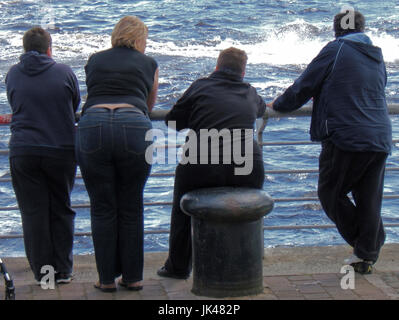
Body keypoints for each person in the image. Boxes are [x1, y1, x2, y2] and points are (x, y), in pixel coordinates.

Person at [268, 11, 392, 274]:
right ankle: (366, 253)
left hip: (346, 136)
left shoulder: (336, 49)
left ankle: (369, 243)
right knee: (368, 199)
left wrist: (278, 105)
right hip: (379, 136)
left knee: (330, 193)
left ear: (336, 31)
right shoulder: (377, 56)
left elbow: (304, 86)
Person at [157, 47, 266, 279]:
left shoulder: (200, 87)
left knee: (182, 208)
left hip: (202, 162)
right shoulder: (250, 92)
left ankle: (178, 266)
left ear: (216, 66)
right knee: (245, 208)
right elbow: (261, 109)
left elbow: (172, 121)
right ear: (243, 72)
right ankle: (242, 261)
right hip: (247, 165)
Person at [76, 16, 159, 292]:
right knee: (131, 204)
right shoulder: (149, 64)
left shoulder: (95, 60)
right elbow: (149, 103)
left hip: (94, 124)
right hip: (134, 125)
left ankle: (106, 279)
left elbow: (93, 93)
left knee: (102, 206)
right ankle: (133, 277)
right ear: (139, 39)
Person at [5, 27, 80, 284]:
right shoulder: (65, 72)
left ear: (25, 49)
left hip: (24, 150)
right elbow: (75, 104)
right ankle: (63, 271)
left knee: (33, 214)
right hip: (60, 149)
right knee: (61, 208)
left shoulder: (13, 74)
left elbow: (15, 103)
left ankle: (44, 276)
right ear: (50, 49)